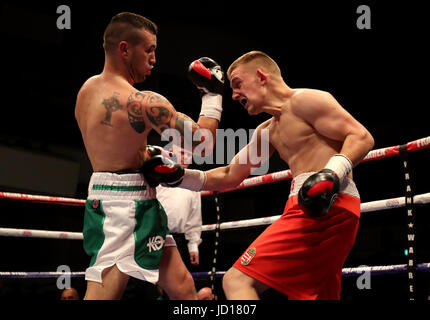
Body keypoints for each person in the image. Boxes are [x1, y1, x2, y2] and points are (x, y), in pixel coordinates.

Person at [143, 51, 375, 300]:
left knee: (236, 281)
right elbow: (231, 174)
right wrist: (179, 176)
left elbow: (362, 137)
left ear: (261, 76)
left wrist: (331, 174)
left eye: (237, 84)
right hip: (317, 204)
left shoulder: (305, 100)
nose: (234, 95)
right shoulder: (268, 130)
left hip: (326, 203)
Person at [74, 12, 224, 300]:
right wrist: (212, 95)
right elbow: (203, 143)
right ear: (125, 49)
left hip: (126, 199)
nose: (154, 59)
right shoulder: (143, 102)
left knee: (182, 287)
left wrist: (146, 156)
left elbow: (115, 149)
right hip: (123, 209)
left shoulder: (86, 90)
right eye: (149, 50)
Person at [156, 147, 202, 267]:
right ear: (171, 152)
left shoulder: (194, 182)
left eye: (189, 154)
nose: (185, 157)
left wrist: (193, 246)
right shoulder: (157, 177)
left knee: (178, 282)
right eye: (182, 153)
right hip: (153, 235)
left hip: (178, 239)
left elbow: (194, 218)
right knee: (151, 280)